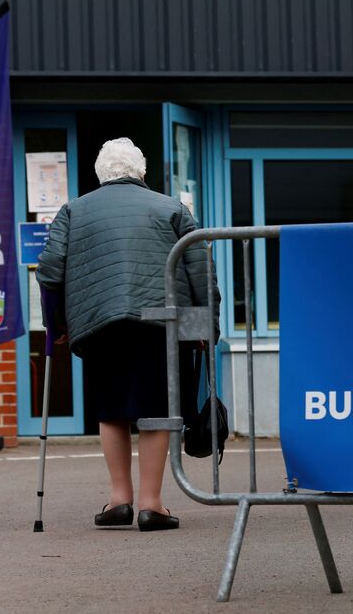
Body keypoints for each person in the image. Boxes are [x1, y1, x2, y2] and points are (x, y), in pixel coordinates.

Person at [36, 137, 219, 532]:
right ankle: (152, 504)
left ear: (101, 174)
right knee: (156, 410)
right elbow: (200, 269)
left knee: (112, 409)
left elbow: (50, 270)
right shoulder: (172, 207)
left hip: (100, 322)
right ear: (141, 173)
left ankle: (119, 499)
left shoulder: (73, 210)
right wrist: (207, 326)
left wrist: (57, 326)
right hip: (160, 322)